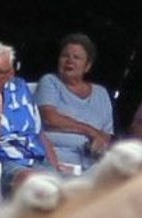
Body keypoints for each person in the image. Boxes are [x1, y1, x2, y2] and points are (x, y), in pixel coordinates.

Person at [0, 41, 65, 197]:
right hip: (7, 167)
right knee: (36, 184)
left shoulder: (19, 88)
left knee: (85, 191)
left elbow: (38, 133)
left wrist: (55, 166)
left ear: (10, 74)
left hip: (40, 162)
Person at [34, 33, 114, 171]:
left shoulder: (101, 93)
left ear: (87, 66)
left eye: (76, 57)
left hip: (91, 163)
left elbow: (106, 135)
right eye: (65, 56)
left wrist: (99, 145)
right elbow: (49, 118)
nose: (69, 60)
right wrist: (90, 131)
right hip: (55, 160)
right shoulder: (50, 82)